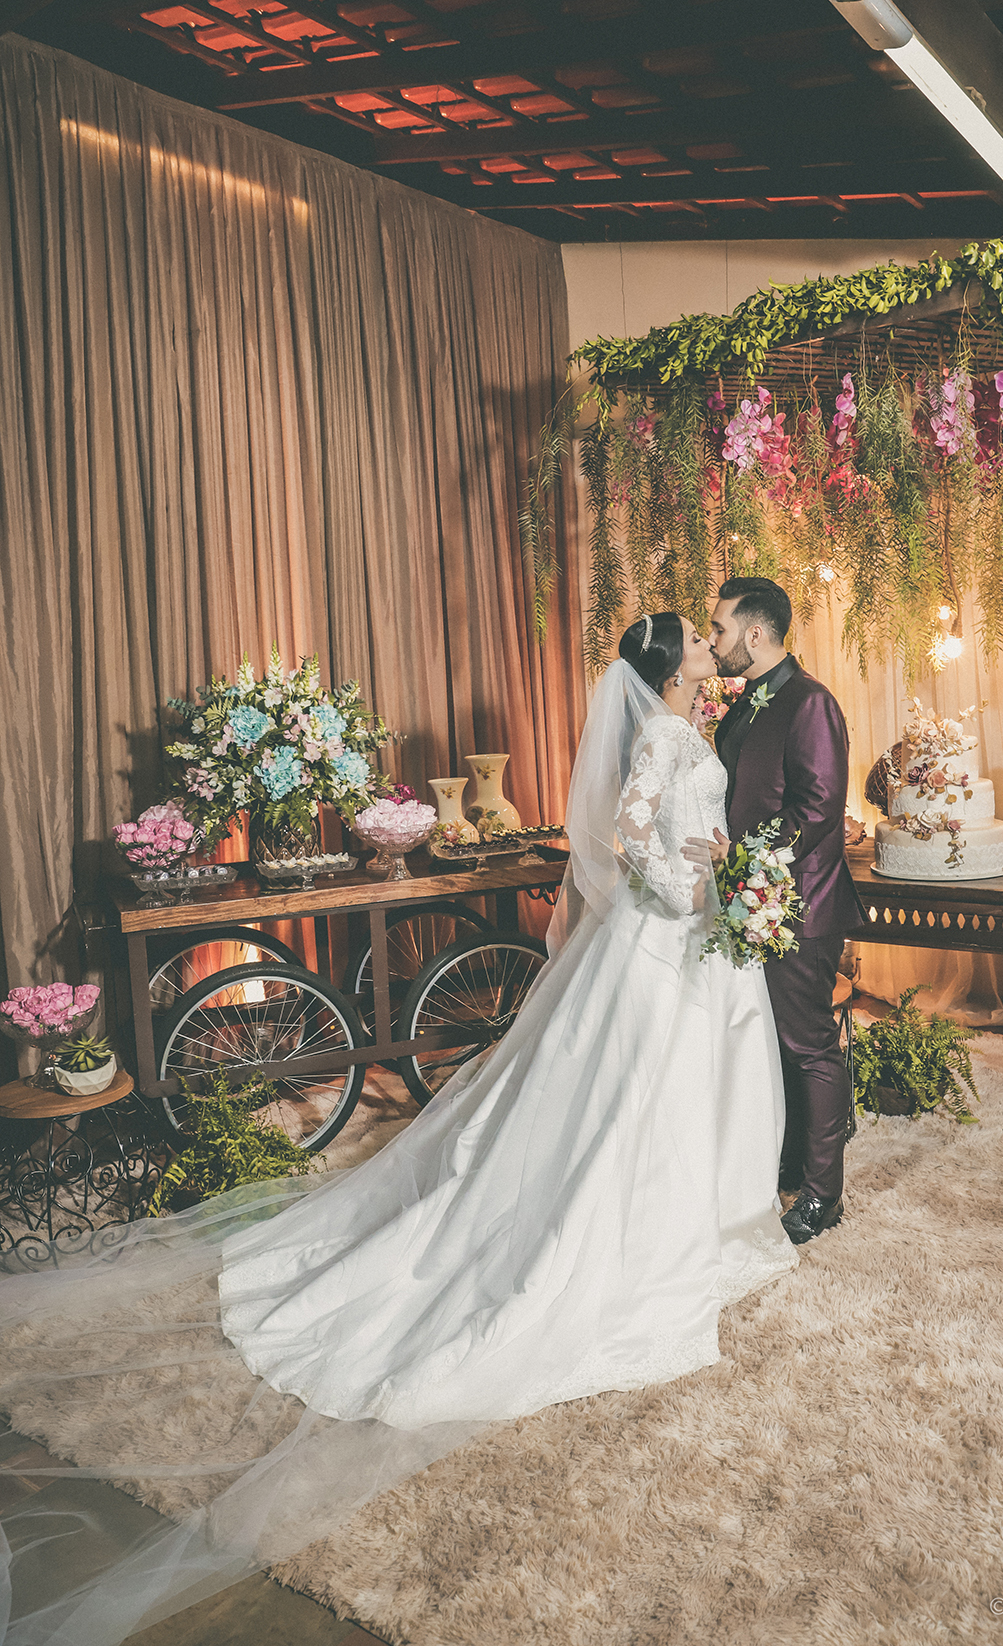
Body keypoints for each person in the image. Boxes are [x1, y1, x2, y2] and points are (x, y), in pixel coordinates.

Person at [0, 613, 795, 1646]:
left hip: (691, 932)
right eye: (694, 638)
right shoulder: (660, 736)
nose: (704, 645)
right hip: (660, 937)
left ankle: (697, 1206)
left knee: (667, 1091)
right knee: (624, 1100)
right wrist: (686, 884)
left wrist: (720, 863)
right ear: (667, 664)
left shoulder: (693, 727)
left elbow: (686, 827)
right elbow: (628, 834)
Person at [688, 577, 866, 1248]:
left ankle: (823, 1194)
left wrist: (742, 857)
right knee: (772, 1044)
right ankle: (788, 1163)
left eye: (720, 628)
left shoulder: (810, 703)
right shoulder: (746, 703)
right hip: (750, 900)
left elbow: (817, 810)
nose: (713, 641)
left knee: (809, 1045)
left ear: (756, 634)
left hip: (800, 907)